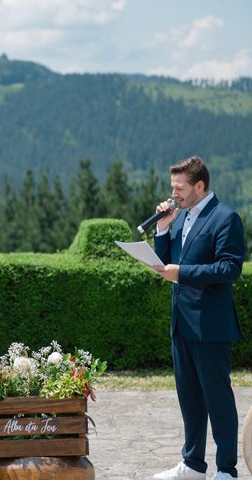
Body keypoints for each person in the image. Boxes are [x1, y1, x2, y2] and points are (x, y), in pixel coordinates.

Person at [152, 156, 244, 480]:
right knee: (189, 399)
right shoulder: (180, 219)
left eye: (179, 188)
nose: (173, 194)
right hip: (182, 323)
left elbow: (230, 267)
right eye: (172, 187)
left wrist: (184, 273)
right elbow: (166, 266)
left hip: (210, 326)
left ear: (199, 185)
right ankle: (192, 466)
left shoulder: (225, 218)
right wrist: (162, 229)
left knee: (218, 400)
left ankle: (227, 470)